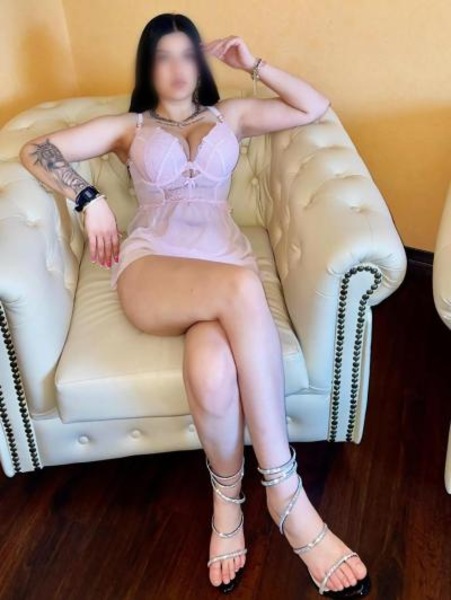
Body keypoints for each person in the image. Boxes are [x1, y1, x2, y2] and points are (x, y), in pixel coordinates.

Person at [19, 12, 371, 598]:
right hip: (153, 272)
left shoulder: (230, 116)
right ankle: (284, 492)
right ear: (149, 68)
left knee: (210, 370)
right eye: (164, 56)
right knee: (242, 288)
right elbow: (36, 149)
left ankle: (226, 503)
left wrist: (253, 63)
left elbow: (313, 105)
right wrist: (88, 197)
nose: (177, 68)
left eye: (187, 54)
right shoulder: (129, 127)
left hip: (221, 274)